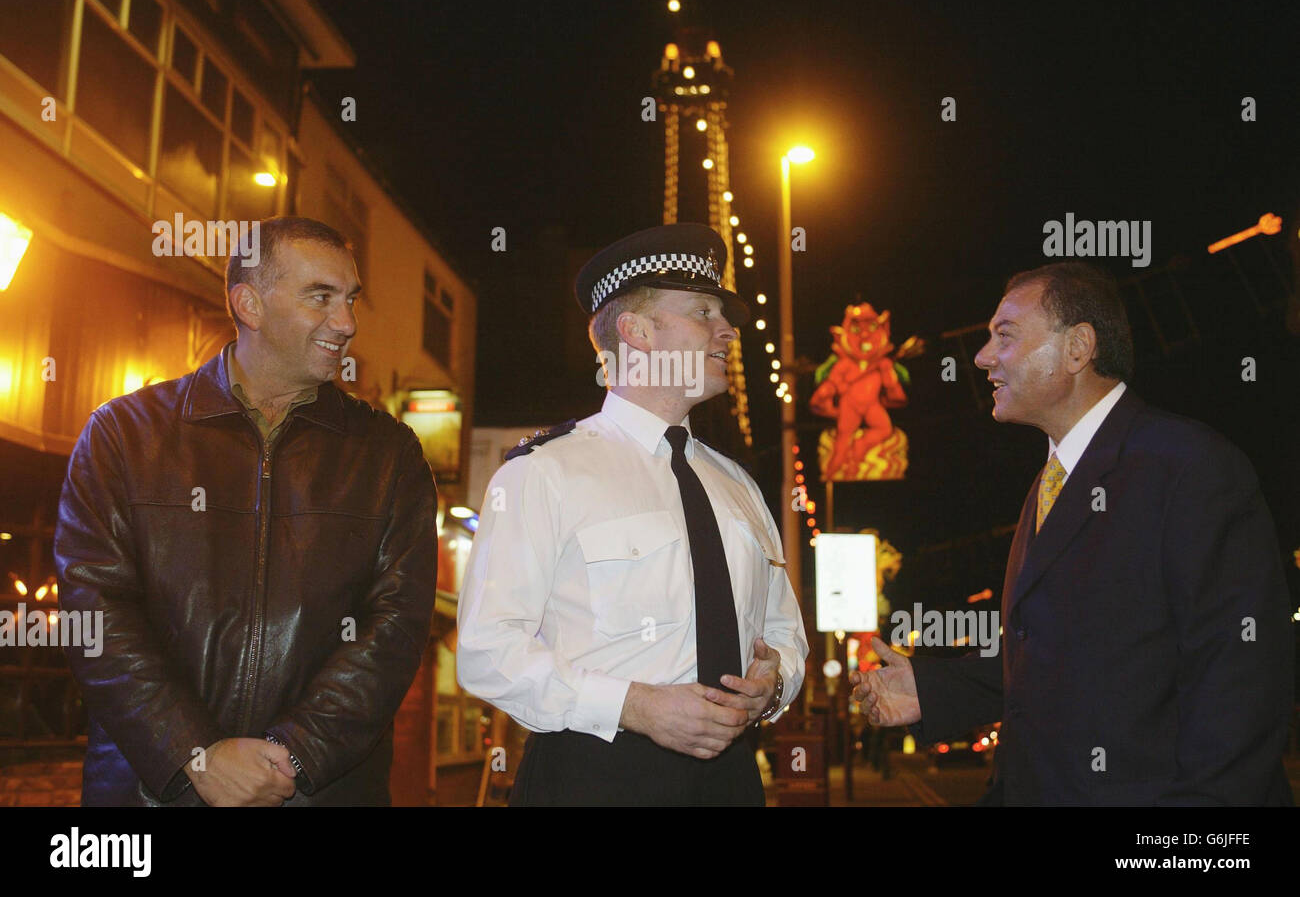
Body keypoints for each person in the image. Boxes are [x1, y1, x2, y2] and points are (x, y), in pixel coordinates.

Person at [852, 261, 1294, 805]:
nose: (982, 357)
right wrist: (934, 689)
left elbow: (1240, 684)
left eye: (1004, 336)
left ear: (1078, 349)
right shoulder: (1050, 480)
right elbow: (1059, 653)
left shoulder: (1189, 468)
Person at [55, 216, 438, 806]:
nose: (347, 323)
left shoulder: (389, 455)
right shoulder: (124, 435)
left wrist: (294, 756)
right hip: (148, 791)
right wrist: (192, 755)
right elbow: (95, 610)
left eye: (350, 299)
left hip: (318, 791)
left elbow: (395, 626)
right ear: (249, 304)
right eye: (321, 298)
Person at [457, 223, 809, 805]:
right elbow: (488, 649)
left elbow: (783, 633)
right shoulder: (545, 472)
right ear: (637, 331)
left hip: (732, 781)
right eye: (703, 312)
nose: (727, 330)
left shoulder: (737, 485)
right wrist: (635, 706)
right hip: (591, 774)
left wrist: (772, 687)